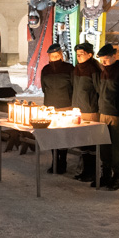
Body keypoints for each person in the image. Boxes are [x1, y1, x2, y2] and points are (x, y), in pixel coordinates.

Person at [95, 44, 119, 190]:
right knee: (104, 146)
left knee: (117, 146)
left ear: (113, 57)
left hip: (117, 115)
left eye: (105, 59)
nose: (103, 62)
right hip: (103, 113)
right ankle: (105, 174)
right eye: (101, 60)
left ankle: (117, 176)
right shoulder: (103, 72)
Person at [40, 43, 74, 174]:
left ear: (60, 55)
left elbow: (73, 86)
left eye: (56, 55)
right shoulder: (46, 70)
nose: (54, 57)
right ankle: (55, 161)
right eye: (52, 55)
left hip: (65, 107)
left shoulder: (69, 68)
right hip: (50, 108)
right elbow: (44, 88)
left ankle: (62, 162)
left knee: (62, 135)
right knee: (53, 136)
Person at [71, 42, 101, 182]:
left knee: (91, 142)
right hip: (78, 110)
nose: (79, 56)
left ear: (90, 54)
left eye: (81, 54)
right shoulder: (77, 68)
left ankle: (92, 172)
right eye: (77, 54)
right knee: (83, 142)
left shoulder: (94, 69)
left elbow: (98, 90)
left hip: (90, 110)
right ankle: (84, 170)